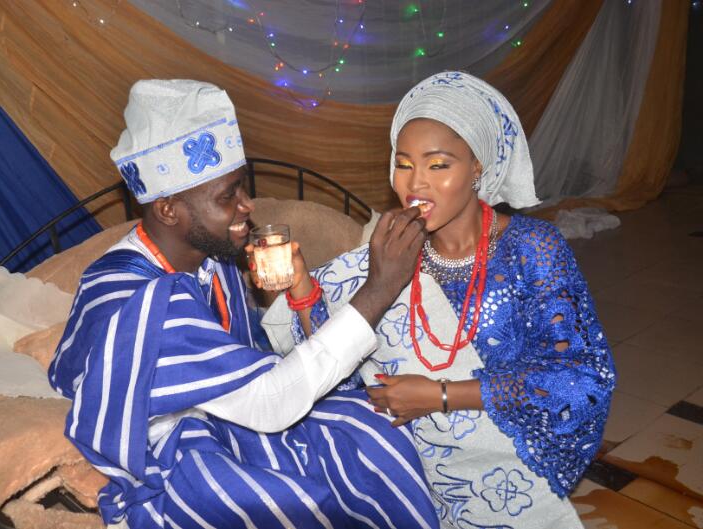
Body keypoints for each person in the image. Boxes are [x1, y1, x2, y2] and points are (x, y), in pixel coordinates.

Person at [48, 79, 442, 529]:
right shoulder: (141, 298)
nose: (247, 206)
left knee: (370, 428)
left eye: (242, 188)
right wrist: (380, 287)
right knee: (284, 491)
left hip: (238, 414)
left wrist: (298, 291)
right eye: (227, 196)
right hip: (182, 444)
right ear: (169, 209)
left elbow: (253, 362)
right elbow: (270, 401)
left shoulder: (211, 262)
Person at [262, 71, 616, 529]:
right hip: (412, 473)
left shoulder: (532, 247)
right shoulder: (390, 254)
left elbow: (580, 378)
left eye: (438, 165)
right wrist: (301, 286)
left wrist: (441, 395)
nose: (416, 184)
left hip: (505, 471)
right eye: (404, 164)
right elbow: (335, 369)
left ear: (477, 169)